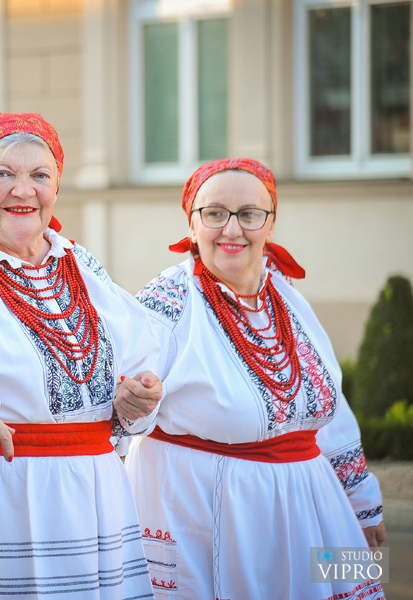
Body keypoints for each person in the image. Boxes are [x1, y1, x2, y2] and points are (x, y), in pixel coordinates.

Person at [0, 111, 162, 599]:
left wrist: (134, 400)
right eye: (3, 174)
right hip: (1, 497)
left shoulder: (79, 262)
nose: (23, 190)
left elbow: (136, 355)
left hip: (97, 493)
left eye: (39, 175)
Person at [127, 158, 386, 599]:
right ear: (191, 225)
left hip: (315, 501)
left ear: (270, 224)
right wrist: (133, 400)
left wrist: (364, 504)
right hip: (208, 509)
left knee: (349, 581)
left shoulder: (286, 294)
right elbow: (124, 401)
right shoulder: (166, 299)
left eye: (249, 214)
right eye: (214, 214)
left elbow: (332, 405)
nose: (231, 229)